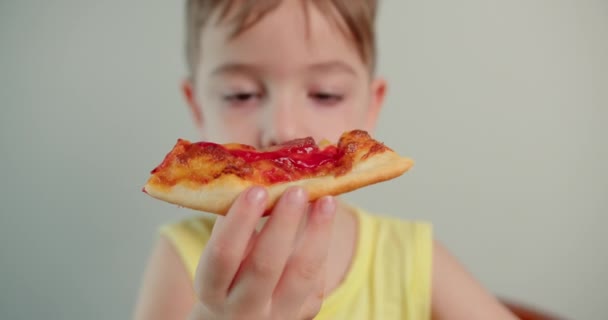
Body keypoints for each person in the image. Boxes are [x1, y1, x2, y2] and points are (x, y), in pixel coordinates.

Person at [133, 1, 518, 319]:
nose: (283, 129)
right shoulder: (181, 257)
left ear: (373, 105)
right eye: (241, 94)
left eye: (325, 94)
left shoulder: (413, 256)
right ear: (196, 105)